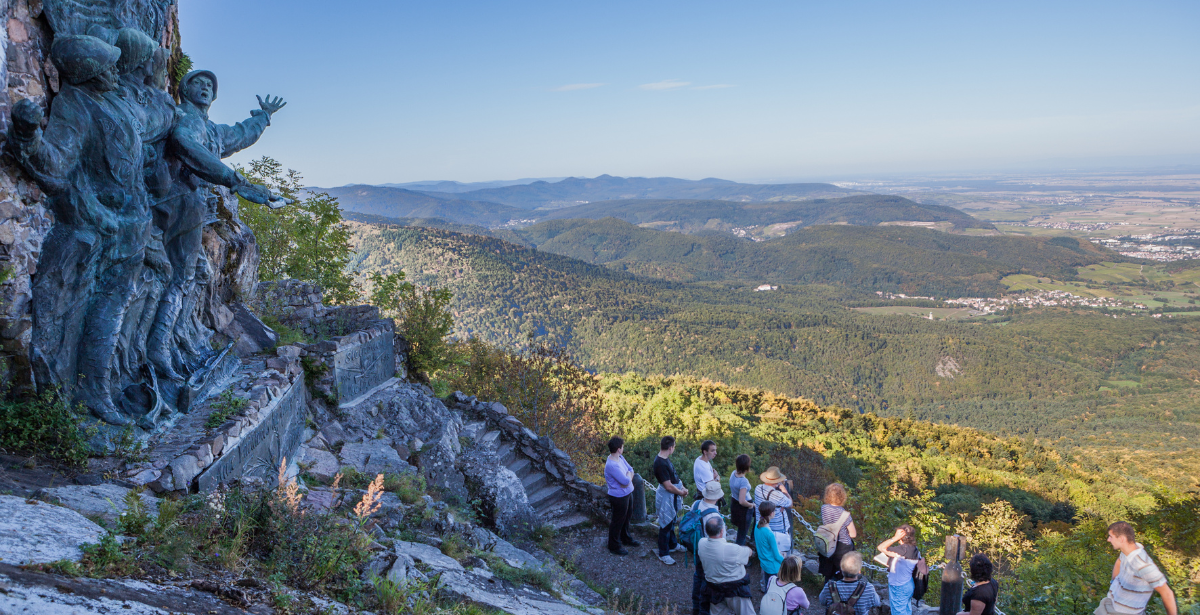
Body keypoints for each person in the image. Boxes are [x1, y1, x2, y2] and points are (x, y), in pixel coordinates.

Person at [1093, 521, 1177, 615]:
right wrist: (1113, 582)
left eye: (1111, 536)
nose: (1108, 540)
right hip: (1110, 604)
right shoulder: (1126, 551)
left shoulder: (1143, 565)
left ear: (1121, 539)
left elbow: (1167, 593)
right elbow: (1119, 561)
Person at [698, 516, 755, 615]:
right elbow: (749, 552)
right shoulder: (732, 549)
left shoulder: (701, 543)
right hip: (735, 589)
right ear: (721, 531)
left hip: (713, 588)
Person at [654, 436, 690, 565]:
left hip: (672, 495)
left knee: (672, 521)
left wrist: (682, 487)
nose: (674, 449)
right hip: (667, 496)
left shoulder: (665, 459)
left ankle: (673, 544)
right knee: (666, 524)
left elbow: (674, 477)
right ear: (670, 448)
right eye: (674, 446)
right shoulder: (660, 463)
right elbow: (668, 486)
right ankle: (663, 553)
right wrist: (681, 492)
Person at [692, 481, 726, 615]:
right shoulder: (715, 517)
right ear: (718, 497)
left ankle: (696, 605)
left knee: (698, 575)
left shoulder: (696, 504)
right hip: (709, 551)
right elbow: (720, 540)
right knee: (707, 580)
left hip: (696, 546)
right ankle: (704, 609)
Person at [877, 525, 926, 615]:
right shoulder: (914, 549)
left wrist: (894, 538)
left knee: (898, 612)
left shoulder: (903, 550)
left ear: (901, 536)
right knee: (906, 611)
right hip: (908, 584)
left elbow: (881, 547)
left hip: (899, 586)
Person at [603, 436, 638, 555]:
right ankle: (614, 546)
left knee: (626, 518)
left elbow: (631, 469)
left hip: (627, 493)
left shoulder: (620, 458)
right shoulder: (612, 465)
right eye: (622, 447)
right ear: (618, 449)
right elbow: (625, 481)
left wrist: (628, 478)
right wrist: (628, 478)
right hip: (618, 497)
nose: (623, 448)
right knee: (617, 521)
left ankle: (625, 538)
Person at [819, 482, 857, 583]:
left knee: (830, 572)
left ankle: (828, 590)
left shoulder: (824, 508)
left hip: (829, 543)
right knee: (843, 574)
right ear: (842, 496)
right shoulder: (844, 514)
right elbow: (853, 534)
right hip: (843, 546)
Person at [754, 467, 795, 554]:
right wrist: (784, 491)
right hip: (778, 529)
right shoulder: (778, 495)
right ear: (777, 481)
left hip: (763, 525)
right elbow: (790, 504)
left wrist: (779, 505)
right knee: (779, 553)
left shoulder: (758, 488)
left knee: (766, 551)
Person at [754, 501, 783, 593]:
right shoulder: (769, 534)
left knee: (768, 588)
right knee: (775, 591)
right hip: (774, 567)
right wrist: (785, 561)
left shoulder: (757, 525)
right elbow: (777, 556)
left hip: (764, 563)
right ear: (771, 513)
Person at [728, 454, 754, 546]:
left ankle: (753, 538)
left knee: (759, 514)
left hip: (734, 503)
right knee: (742, 535)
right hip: (744, 507)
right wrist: (751, 505)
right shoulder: (743, 481)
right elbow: (742, 501)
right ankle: (739, 552)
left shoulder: (733, 473)